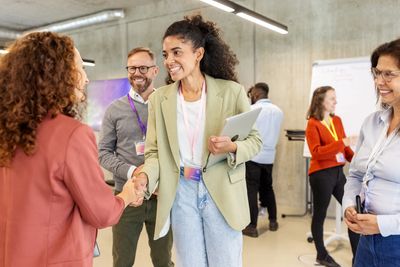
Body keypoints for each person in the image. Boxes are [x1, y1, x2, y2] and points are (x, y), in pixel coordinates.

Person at [0, 32, 139, 267]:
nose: (85, 79)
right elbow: (101, 212)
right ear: (58, 76)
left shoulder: (8, 132)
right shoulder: (72, 134)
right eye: (79, 68)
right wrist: (126, 194)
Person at [133, 15, 262, 267]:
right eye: (166, 54)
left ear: (198, 53)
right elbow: (154, 153)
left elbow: (255, 141)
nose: (169, 60)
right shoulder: (160, 99)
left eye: (177, 52)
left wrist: (233, 147)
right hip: (182, 190)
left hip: (221, 190)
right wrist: (144, 177)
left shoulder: (232, 92)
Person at [98, 47, 174, 267]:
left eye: (143, 68)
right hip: (127, 197)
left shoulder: (168, 105)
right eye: (132, 68)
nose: (137, 73)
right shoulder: (115, 109)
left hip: (161, 196)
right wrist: (134, 173)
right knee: (122, 261)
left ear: (155, 70)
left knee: (163, 261)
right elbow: (103, 153)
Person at [343, 38, 400, 267]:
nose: (379, 82)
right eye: (376, 73)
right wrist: (349, 203)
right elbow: (356, 175)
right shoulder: (372, 123)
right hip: (366, 241)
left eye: (389, 74)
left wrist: (382, 225)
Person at [305, 86, 359, 267]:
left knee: (352, 213)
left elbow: (344, 149)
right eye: (332, 98)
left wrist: (358, 161)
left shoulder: (337, 121)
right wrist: (341, 143)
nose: (336, 101)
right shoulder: (313, 124)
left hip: (338, 173)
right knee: (320, 214)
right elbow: (317, 153)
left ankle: (357, 258)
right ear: (321, 101)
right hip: (320, 174)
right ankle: (321, 254)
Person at [242, 82, 283, 237]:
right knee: (268, 188)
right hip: (269, 158)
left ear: (256, 94)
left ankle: (252, 226)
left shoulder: (252, 110)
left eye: (251, 95)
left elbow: (245, 133)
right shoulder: (279, 111)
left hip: (253, 156)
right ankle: (273, 221)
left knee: (251, 191)